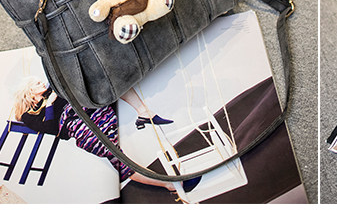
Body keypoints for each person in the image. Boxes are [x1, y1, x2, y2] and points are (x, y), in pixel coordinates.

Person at [12, 76, 199, 193]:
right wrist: (50, 105)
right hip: (77, 126)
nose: (42, 82)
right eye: (36, 83)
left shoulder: (54, 88)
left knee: (112, 83)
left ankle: (144, 113)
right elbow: (52, 128)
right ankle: (169, 184)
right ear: (30, 92)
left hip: (90, 108)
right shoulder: (29, 115)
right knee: (118, 159)